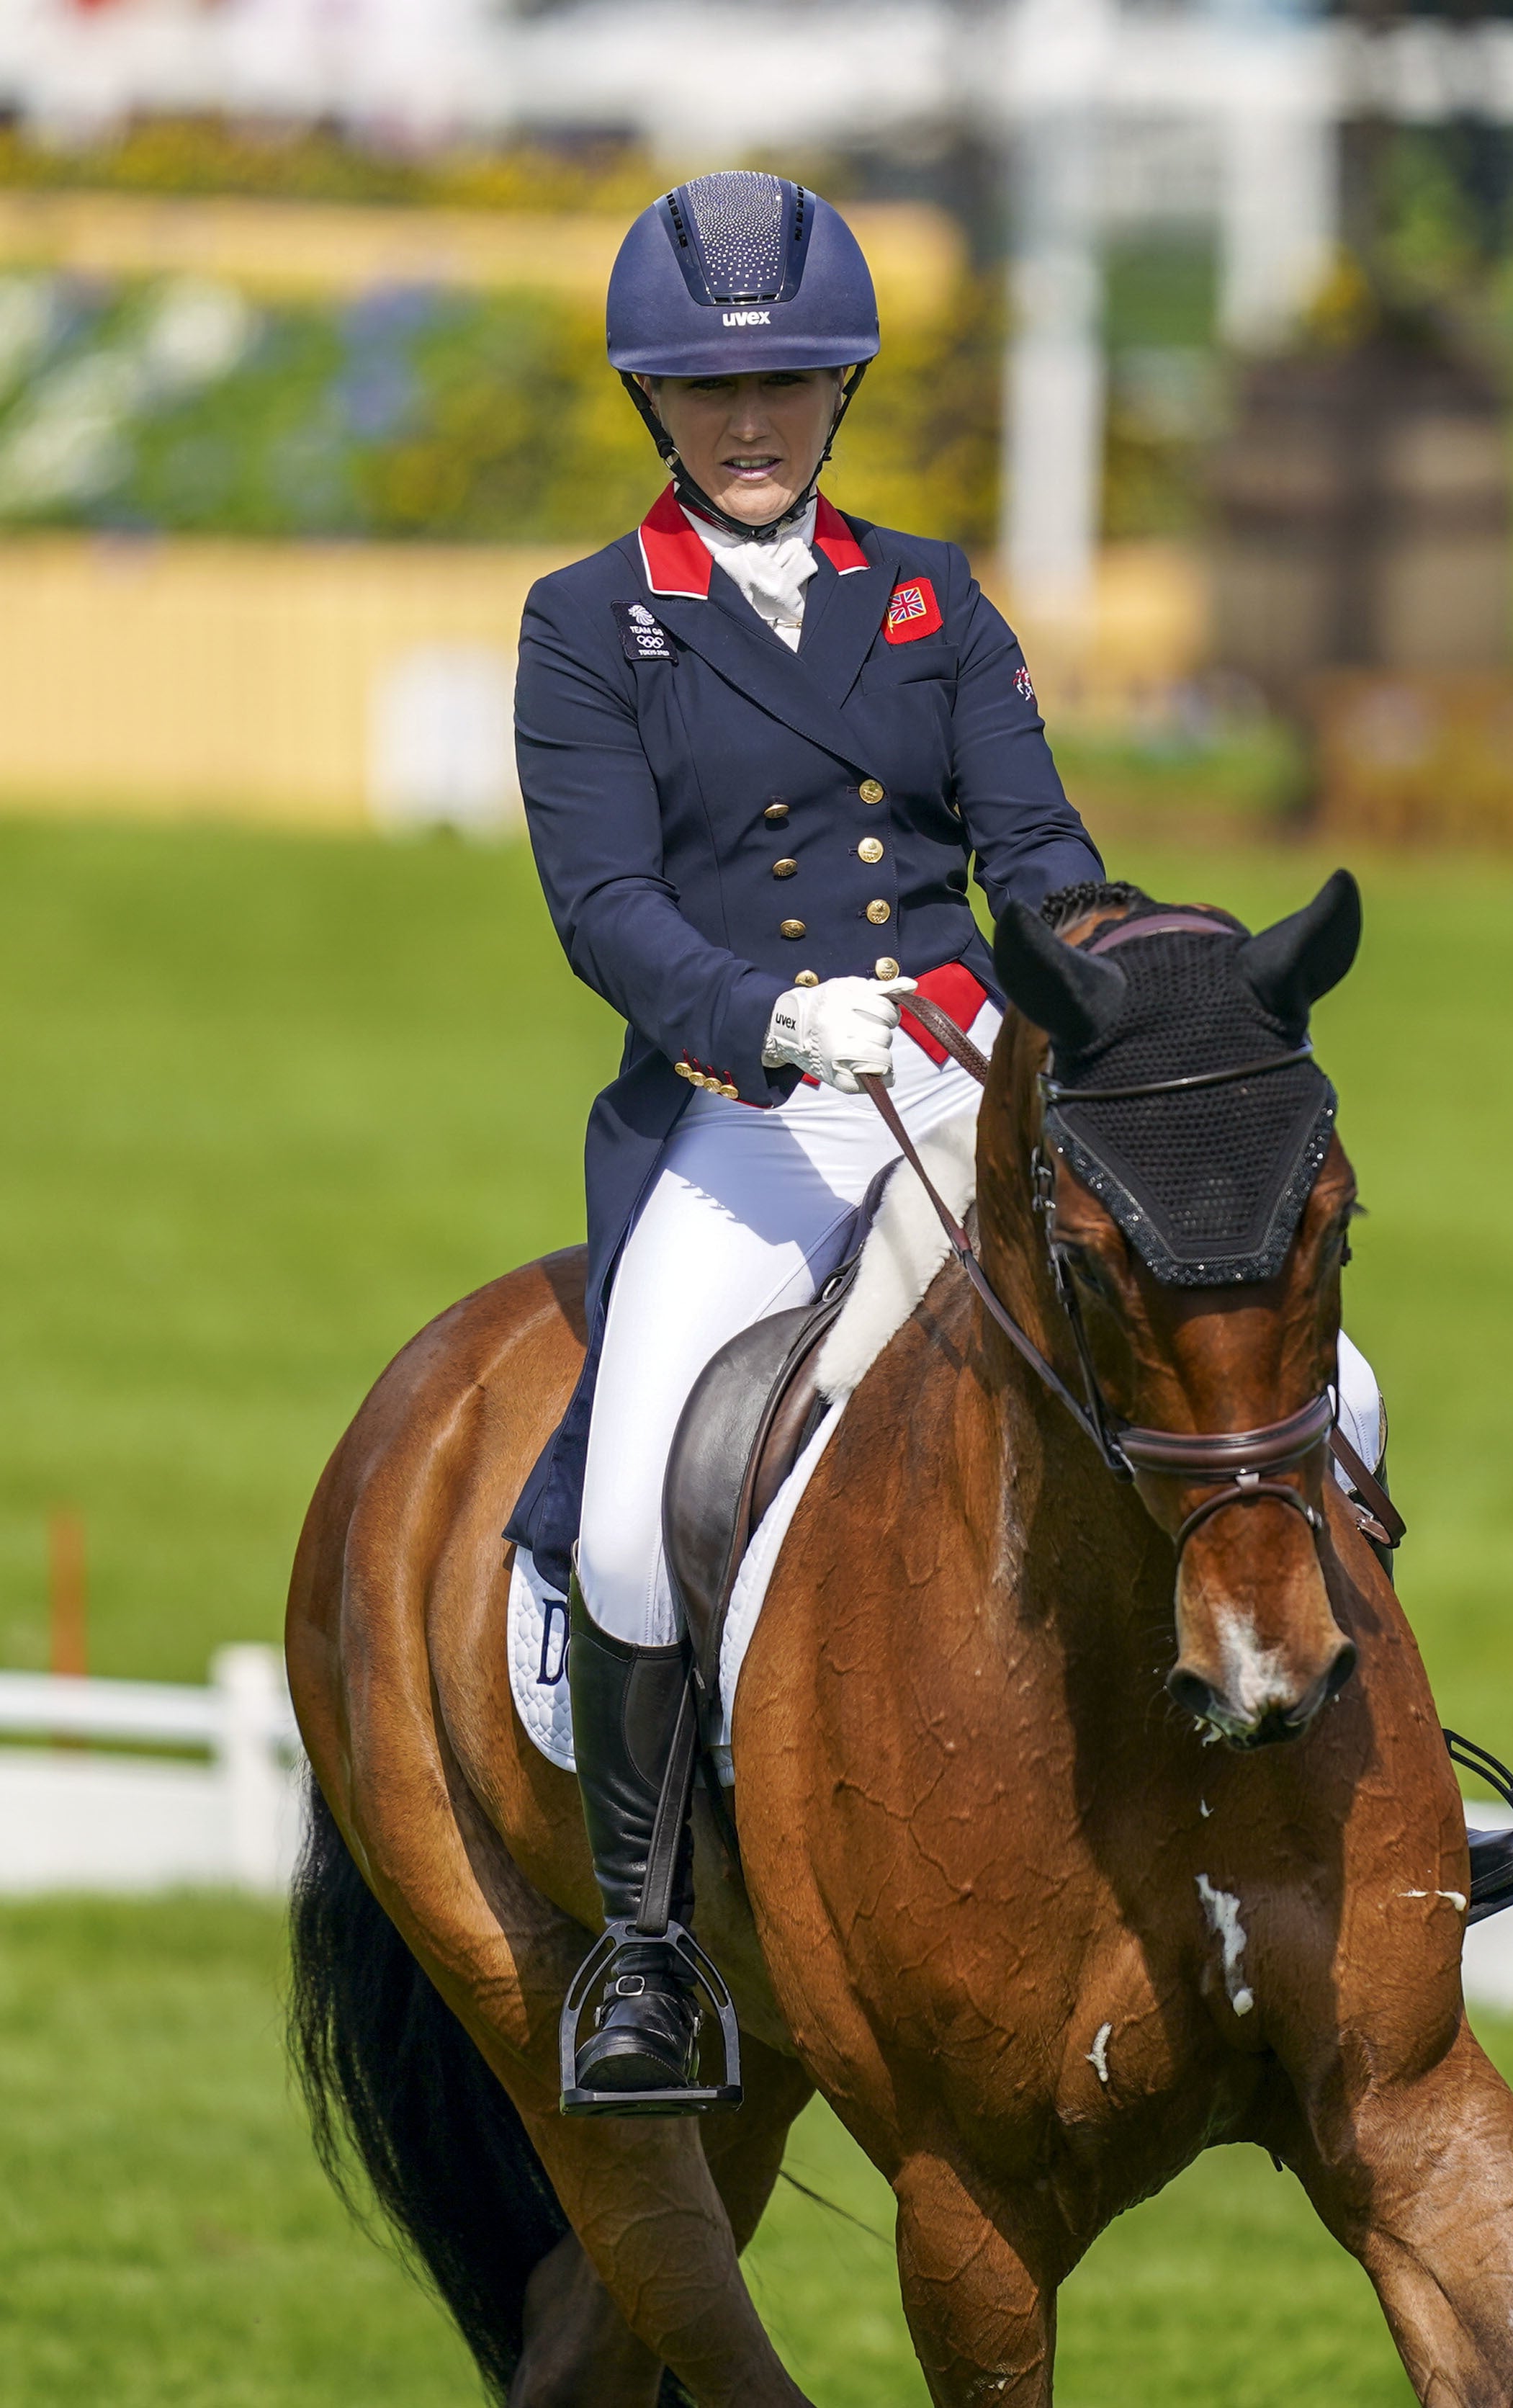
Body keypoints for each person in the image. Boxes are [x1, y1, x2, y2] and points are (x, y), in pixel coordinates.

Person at [506, 171, 1389, 2110]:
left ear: (842, 390)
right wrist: (755, 1016)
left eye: (795, 388)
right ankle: (650, 1950)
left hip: (968, 1082)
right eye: (713, 396)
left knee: (1341, 1397)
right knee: (648, 1511)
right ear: (656, 405)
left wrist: (1139, 982)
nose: (755, 427)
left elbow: (1042, 855)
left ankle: (1375, 1814)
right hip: (750, 1121)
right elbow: (602, 904)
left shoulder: (930, 595)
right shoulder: (591, 626)